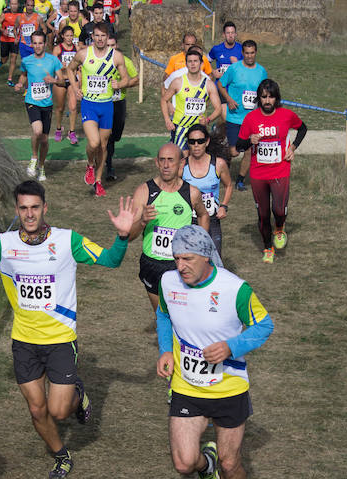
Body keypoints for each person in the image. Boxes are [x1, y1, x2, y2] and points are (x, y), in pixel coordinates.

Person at [0, 181, 136, 479]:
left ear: (45, 207)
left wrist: (122, 236)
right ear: (16, 210)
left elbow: (111, 260)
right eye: (23, 208)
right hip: (24, 342)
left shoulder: (68, 241)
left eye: (34, 207)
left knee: (58, 411)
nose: (29, 214)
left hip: (60, 340)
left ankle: (77, 392)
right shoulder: (3, 245)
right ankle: (61, 455)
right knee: (36, 410)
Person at [155, 225, 273, 479]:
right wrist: (166, 348)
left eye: (188, 259)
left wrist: (232, 347)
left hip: (229, 389)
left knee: (231, 461)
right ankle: (205, 466)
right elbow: (164, 314)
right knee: (183, 463)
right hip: (187, 387)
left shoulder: (235, 290)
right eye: (177, 258)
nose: (181, 266)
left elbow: (264, 325)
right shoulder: (168, 282)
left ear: (206, 256)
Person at [128, 142, 209, 312]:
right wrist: (142, 221)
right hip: (152, 264)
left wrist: (201, 246)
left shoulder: (191, 193)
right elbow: (128, 236)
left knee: (184, 317)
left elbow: (203, 215)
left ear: (181, 163)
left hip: (181, 264)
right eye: (162, 160)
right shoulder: (144, 191)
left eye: (171, 160)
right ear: (156, 162)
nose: (166, 165)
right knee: (162, 317)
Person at [236, 78, 307, 263]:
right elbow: (239, 145)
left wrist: (293, 148)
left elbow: (303, 128)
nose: (267, 101)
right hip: (259, 173)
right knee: (263, 214)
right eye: (264, 97)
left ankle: (280, 227)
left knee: (279, 210)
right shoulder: (250, 118)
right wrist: (249, 140)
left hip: (280, 170)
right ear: (259, 98)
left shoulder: (286, 115)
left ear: (276, 98)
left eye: (271, 97)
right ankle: (268, 248)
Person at [65, 22, 129, 196]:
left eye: (103, 36)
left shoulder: (116, 57)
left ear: (108, 37)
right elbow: (70, 69)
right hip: (89, 104)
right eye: (97, 35)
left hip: (107, 105)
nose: (100, 39)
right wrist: (75, 87)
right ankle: (90, 165)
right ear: (92, 36)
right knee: (93, 143)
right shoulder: (84, 54)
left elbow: (126, 79)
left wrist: (119, 83)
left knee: (102, 145)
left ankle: (98, 181)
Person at [217, 40, 267, 191]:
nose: (250, 56)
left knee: (249, 151)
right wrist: (229, 99)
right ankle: (221, 166)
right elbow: (220, 84)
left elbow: (264, 92)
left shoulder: (261, 71)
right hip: (234, 117)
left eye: (252, 53)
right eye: (247, 53)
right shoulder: (234, 69)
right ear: (242, 53)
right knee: (233, 151)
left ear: (256, 53)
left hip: (252, 118)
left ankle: (239, 180)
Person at [16, 29, 65, 181]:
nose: (37, 46)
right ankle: (33, 158)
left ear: (45, 44)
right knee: (37, 132)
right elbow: (23, 75)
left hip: (47, 104)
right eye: (35, 43)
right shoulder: (26, 61)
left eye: (40, 43)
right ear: (31, 44)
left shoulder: (52, 60)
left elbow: (62, 80)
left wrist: (54, 81)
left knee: (44, 139)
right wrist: (19, 83)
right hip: (32, 101)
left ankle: (41, 168)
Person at [181, 123, 232, 256]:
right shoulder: (182, 166)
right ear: (188, 143)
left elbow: (229, 185)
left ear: (207, 141)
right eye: (192, 142)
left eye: (200, 141)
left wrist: (224, 206)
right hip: (189, 220)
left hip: (212, 219)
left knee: (214, 261)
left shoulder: (218, 164)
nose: (196, 145)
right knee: (190, 260)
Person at [161, 47, 222, 150]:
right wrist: (167, 120)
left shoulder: (208, 84)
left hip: (199, 128)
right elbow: (164, 99)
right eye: (190, 61)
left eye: (195, 61)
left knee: (198, 158)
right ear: (186, 64)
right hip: (180, 127)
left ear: (201, 64)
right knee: (181, 158)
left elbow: (218, 108)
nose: (193, 64)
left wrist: (207, 120)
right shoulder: (178, 82)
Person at [105, 32, 139, 181]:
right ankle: (108, 166)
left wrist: (122, 84)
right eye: (108, 46)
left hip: (119, 102)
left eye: (113, 45)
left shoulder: (125, 61)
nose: (111, 48)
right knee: (108, 138)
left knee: (116, 135)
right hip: (103, 102)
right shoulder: (100, 62)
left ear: (117, 45)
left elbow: (136, 79)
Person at [52, 25, 81, 145]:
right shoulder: (58, 49)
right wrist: (61, 66)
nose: (69, 38)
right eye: (67, 36)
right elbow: (53, 66)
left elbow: (80, 65)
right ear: (62, 36)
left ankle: (72, 132)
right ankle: (59, 128)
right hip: (60, 80)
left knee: (73, 107)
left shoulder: (77, 48)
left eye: (71, 36)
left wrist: (80, 80)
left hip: (72, 80)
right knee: (60, 107)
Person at [0, 0, 23, 87]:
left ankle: (9, 79)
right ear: (10, 5)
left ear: (18, 5)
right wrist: (3, 30)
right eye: (12, 4)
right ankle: (1, 60)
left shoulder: (21, 15)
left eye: (16, 4)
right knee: (4, 59)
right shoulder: (5, 14)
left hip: (15, 40)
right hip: (5, 40)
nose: (14, 6)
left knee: (13, 59)